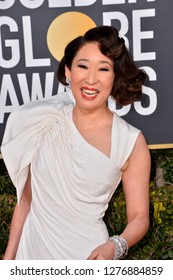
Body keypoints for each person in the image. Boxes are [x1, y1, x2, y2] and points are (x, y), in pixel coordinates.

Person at [1, 25, 151, 260]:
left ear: (115, 76)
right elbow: (26, 200)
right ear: (68, 71)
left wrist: (115, 245)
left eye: (103, 69)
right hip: (31, 255)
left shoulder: (131, 141)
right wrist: (9, 262)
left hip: (88, 257)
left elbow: (139, 217)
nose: (91, 79)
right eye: (83, 66)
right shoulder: (46, 120)